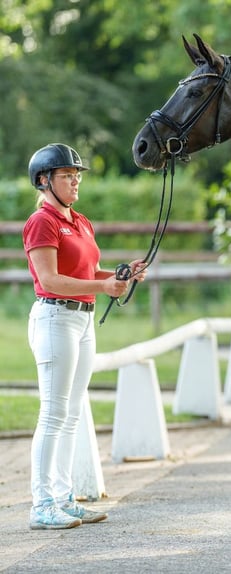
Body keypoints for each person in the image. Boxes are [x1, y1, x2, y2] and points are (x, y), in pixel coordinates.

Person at [23, 143, 147, 530]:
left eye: (77, 175)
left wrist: (117, 277)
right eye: (66, 175)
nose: (75, 181)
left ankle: (63, 497)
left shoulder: (81, 221)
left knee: (72, 413)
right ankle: (41, 503)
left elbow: (88, 273)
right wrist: (104, 287)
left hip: (83, 321)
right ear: (44, 181)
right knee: (54, 412)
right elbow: (50, 280)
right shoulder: (41, 222)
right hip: (55, 319)